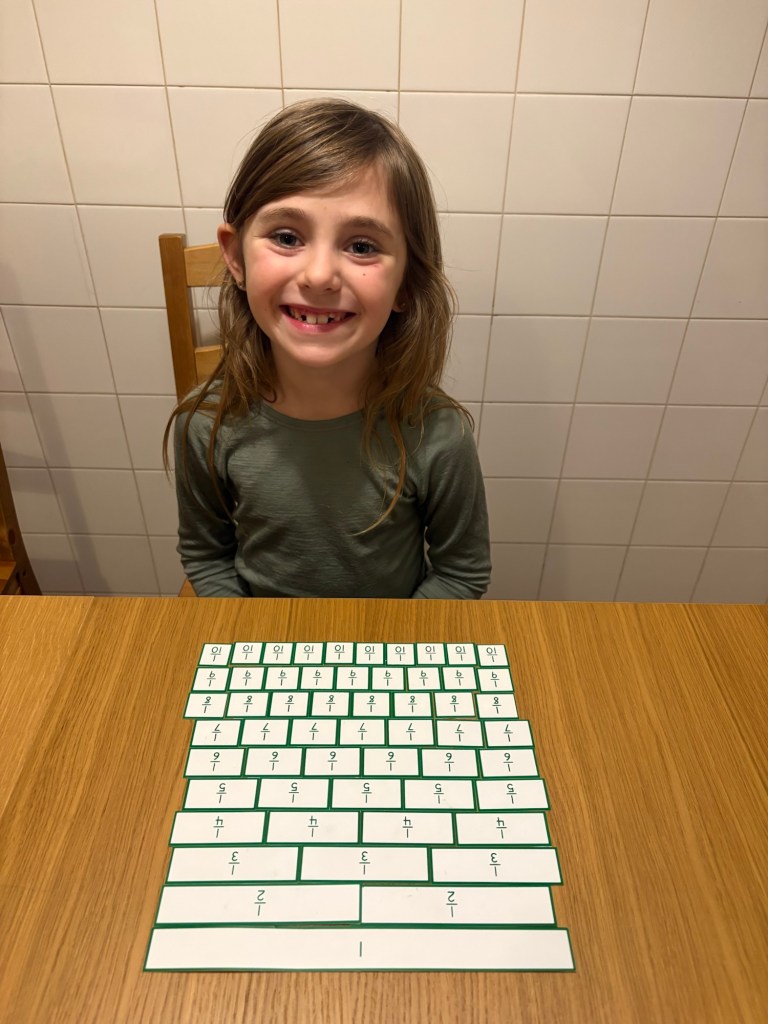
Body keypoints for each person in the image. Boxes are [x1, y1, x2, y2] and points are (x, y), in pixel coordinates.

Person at [165, 98, 490, 599]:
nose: (318, 276)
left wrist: (388, 646)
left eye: (361, 246)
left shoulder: (438, 436)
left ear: (406, 283)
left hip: (389, 642)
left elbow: (461, 575)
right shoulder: (204, 424)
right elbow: (207, 559)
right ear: (236, 257)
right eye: (286, 237)